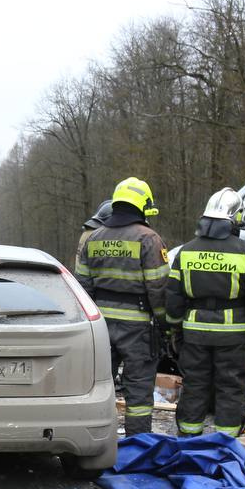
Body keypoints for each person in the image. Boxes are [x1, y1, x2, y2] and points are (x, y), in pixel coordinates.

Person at [166, 188, 245, 436]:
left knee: (194, 386)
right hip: (233, 338)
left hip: (194, 335)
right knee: (230, 388)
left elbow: (173, 297)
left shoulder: (186, 251)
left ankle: (188, 442)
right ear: (235, 220)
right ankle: (225, 446)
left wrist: (172, 328)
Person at [74, 177, 169, 434]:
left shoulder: (92, 238)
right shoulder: (149, 239)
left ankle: (95, 440)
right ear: (141, 205)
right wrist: (165, 325)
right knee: (138, 391)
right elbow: (158, 289)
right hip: (137, 326)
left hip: (100, 325)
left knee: (98, 385)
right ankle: (138, 448)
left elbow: (82, 288)